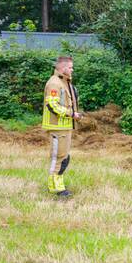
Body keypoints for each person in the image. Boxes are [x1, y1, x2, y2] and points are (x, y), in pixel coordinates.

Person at [42, 56, 81, 198]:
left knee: (64, 157)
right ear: (63, 68)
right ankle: (55, 189)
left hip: (65, 127)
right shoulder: (54, 83)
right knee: (57, 157)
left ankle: (59, 185)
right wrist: (71, 114)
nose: (72, 70)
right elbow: (52, 105)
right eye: (70, 67)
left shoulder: (64, 82)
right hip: (57, 127)